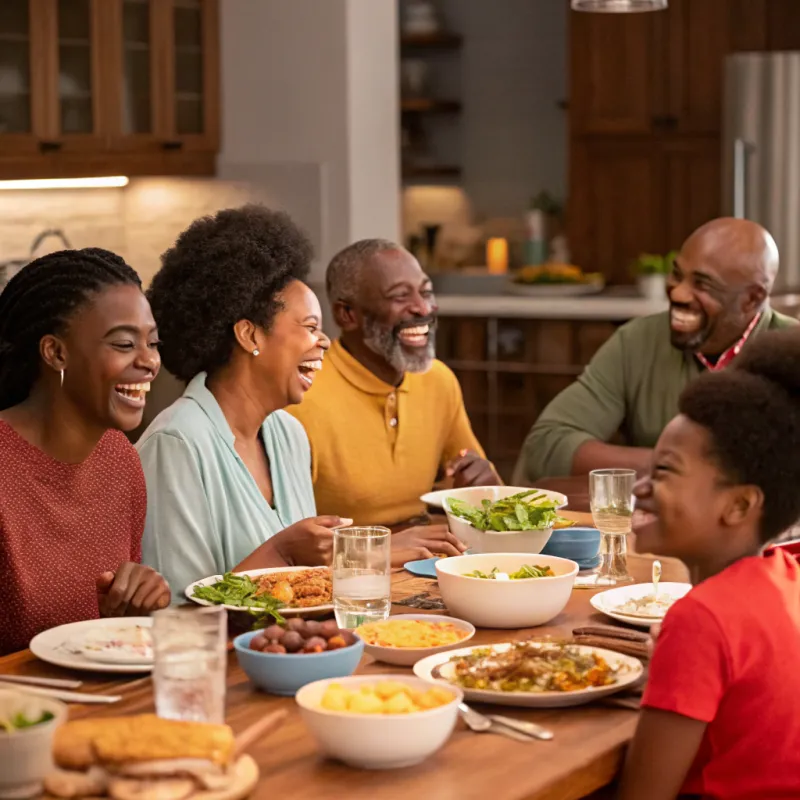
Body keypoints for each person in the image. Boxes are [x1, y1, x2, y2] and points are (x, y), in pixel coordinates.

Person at [137, 207, 465, 597]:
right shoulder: (176, 445)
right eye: (310, 327)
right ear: (250, 335)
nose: (324, 342)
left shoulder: (287, 434)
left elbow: (307, 582)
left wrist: (370, 552)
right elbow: (177, 613)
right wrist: (281, 551)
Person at [619, 328, 800, 800]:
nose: (640, 488)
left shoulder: (702, 619)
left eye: (664, 472)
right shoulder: (786, 576)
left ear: (739, 506)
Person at [516, 218, 797, 481]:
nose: (678, 293)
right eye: (677, 274)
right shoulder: (637, 342)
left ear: (752, 299)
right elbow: (546, 444)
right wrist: (674, 465)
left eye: (702, 284)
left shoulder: (792, 351)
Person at [0, 248, 171, 656]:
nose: (148, 361)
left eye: (152, 342)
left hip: (96, 703)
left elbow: (101, 634)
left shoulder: (120, 458)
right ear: (56, 352)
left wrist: (131, 609)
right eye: (125, 343)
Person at [287, 239, 500, 528]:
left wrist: (483, 482)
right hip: (338, 567)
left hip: (425, 557)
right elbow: (287, 538)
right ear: (347, 314)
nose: (422, 307)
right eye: (400, 296)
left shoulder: (439, 381)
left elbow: (483, 497)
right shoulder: (301, 394)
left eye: (426, 292)